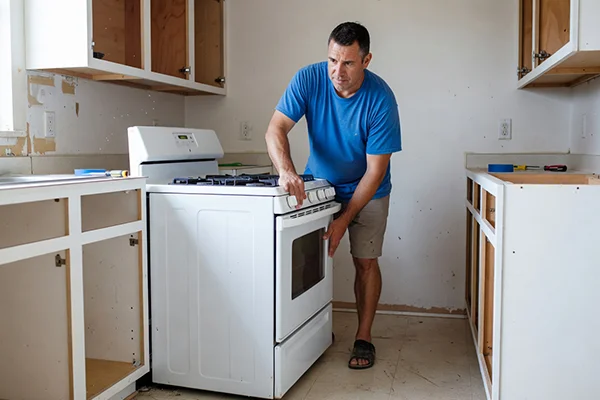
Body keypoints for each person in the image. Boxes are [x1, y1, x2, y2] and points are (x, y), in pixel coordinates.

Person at [264, 21, 402, 370]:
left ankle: (364, 336)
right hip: (321, 186)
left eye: (348, 63)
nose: (337, 72)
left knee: (365, 262)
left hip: (368, 190)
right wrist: (287, 171)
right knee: (309, 260)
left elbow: (375, 171)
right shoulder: (309, 78)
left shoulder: (381, 99)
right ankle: (312, 330)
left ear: (366, 60)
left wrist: (344, 219)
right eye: (332, 61)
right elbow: (275, 129)